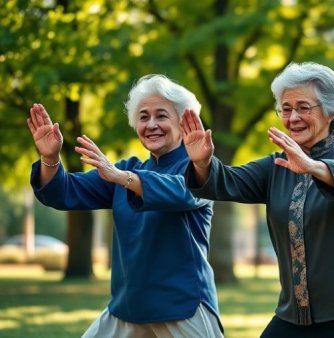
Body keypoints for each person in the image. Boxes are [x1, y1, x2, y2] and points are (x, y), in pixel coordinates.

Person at [181, 62, 334, 338]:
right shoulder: (275, 166)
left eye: (303, 107)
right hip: (296, 318)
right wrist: (202, 163)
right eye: (286, 109)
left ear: (331, 112)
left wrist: (311, 166)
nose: (293, 117)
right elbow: (224, 182)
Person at [27, 74, 223, 338]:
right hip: (127, 307)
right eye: (143, 117)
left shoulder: (199, 169)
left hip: (182, 306)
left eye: (161, 116)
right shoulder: (126, 169)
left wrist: (122, 178)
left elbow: (182, 191)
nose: (151, 124)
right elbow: (62, 192)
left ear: (183, 122)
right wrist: (50, 157)